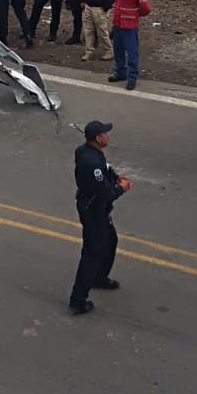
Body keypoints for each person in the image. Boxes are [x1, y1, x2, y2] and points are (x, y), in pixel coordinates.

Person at [69, 120, 132, 314]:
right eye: (105, 133)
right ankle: (78, 299)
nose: (108, 135)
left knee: (110, 240)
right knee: (92, 253)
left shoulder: (89, 152)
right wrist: (120, 188)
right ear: (98, 138)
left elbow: (106, 168)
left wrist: (114, 176)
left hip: (98, 209)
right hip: (93, 210)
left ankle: (99, 277)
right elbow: (106, 192)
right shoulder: (91, 162)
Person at [109, 0, 150, 90]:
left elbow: (146, 9)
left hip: (130, 27)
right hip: (118, 25)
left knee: (132, 54)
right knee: (118, 51)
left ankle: (132, 78)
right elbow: (118, 7)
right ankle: (121, 72)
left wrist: (135, 14)